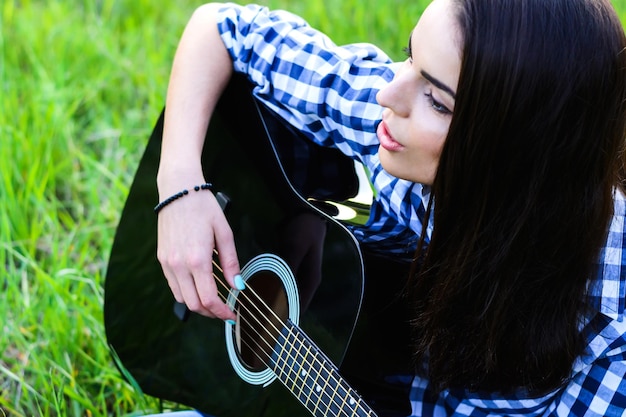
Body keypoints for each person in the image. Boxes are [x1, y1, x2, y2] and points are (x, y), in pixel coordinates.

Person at [153, 0, 626, 415]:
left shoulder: (611, 331)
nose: (388, 94)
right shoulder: (395, 129)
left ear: (514, 154)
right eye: (408, 55)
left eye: (437, 102)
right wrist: (181, 186)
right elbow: (223, 29)